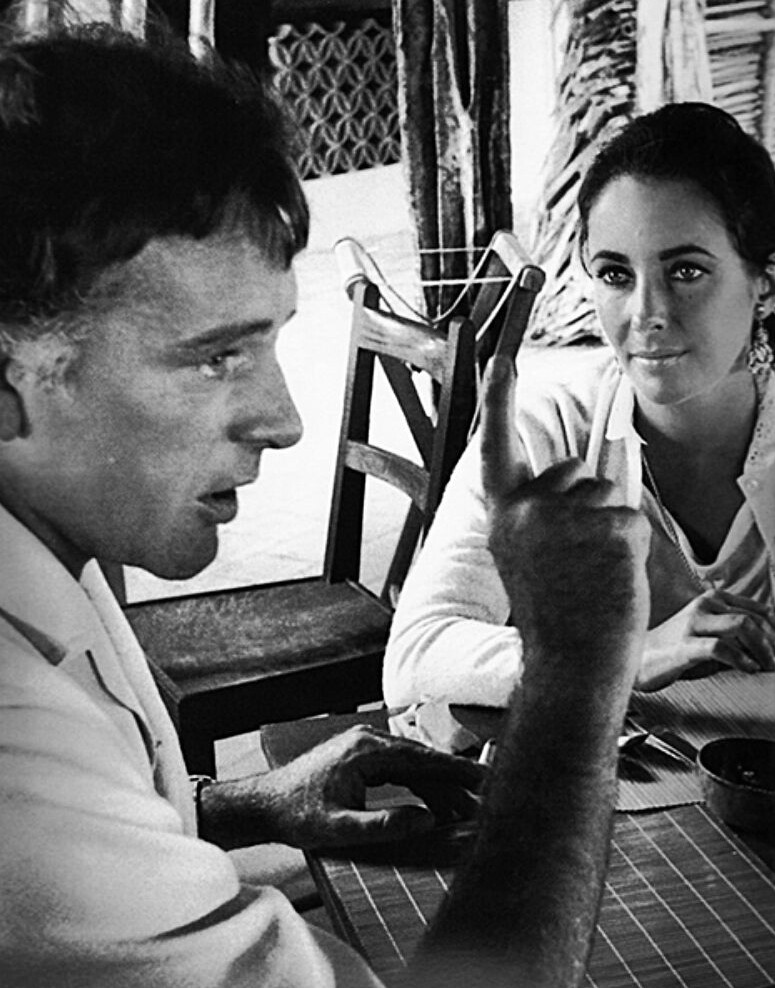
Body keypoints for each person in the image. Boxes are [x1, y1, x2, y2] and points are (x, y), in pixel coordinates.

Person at [0, 18, 649, 988]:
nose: (285, 419)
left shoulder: (49, 551)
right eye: (216, 357)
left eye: (268, 343)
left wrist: (238, 802)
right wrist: (574, 682)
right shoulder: (16, 747)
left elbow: (91, 819)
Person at [383, 101, 775, 711]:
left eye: (686, 271)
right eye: (616, 275)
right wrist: (625, 655)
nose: (646, 314)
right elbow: (417, 653)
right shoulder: (548, 430)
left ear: (764, 283)